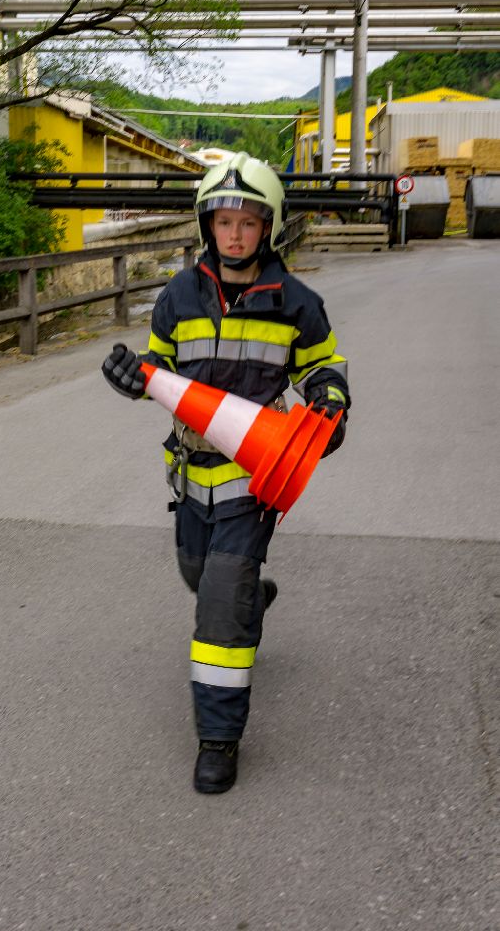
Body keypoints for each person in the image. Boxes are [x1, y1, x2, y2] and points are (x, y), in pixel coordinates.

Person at [102, 152, 350, 794]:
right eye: (223, 221)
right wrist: (132, 377)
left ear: (268, 227)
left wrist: (329, 402)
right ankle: (250, 599)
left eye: (247, 222)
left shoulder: (297, 303)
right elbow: (159, 371)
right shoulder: (177, 296)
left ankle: (217, 738)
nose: (234, 234)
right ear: (206, 225)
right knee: (198, 575)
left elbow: (323, 367)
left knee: (218, 605)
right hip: (189, 476)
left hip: (252, 478)